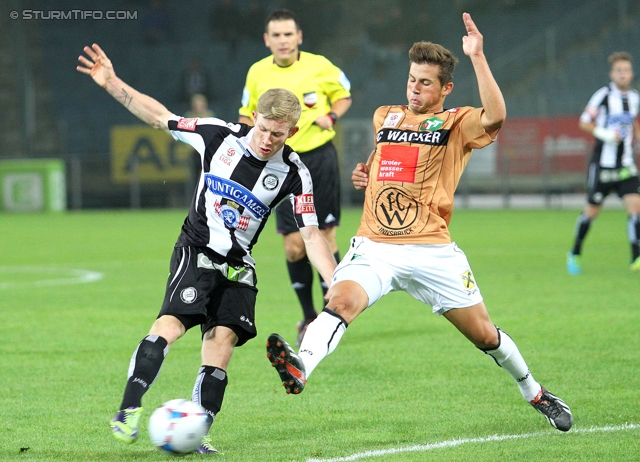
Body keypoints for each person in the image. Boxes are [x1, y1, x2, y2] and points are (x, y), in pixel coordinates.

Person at [266, 12, 574, 433]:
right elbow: (384, 165)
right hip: (375, 246)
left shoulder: (456, 123)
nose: (415, 87)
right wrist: (366, 175)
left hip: (432, 251)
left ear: (446, 88)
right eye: (412, 78)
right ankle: (302, 367)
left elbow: (497, 114)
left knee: (486, 336)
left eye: (426, 82)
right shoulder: (384, 117)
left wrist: (478, 58)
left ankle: (534, 391)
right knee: (339, 303)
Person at [76, 44, 337, 454]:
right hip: (197, 248)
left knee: (222, 343)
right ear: (254, 118)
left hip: (239, 264)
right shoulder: (217, 134)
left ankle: (199, 433)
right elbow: (160, 117)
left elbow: (311, 235)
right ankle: (128, 409)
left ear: (294, 132)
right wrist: (111, 82)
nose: (268, 140)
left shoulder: (294, 172)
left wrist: (334, 282)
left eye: (279, 133)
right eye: (264, 128)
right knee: (171, 326)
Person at [239, 9, 352, 346]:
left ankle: (333, 315)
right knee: (293, 247)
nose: (283, 41)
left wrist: (331, 115)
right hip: (281, 165)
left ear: (299, 37)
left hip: (319, 160)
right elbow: (246, 115)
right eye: (277, 35)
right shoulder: (257, 72)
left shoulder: (320, 65)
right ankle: (309, 315)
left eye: (289, 34)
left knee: (326, 239)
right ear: (267, 40)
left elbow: (344, 95)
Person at [566, 51, 640, 275]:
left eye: (626, 70)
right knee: (591, 213)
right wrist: (605, 134)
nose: (623, 74)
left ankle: (636, 258)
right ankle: (575, 252)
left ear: (631, 73)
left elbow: (635, 125)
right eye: (619, 70)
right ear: (612, 73)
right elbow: (584, 121)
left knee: (636, 210)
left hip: (626, 165)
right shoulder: (604, 95)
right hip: (603, 165)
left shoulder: (635, 98)